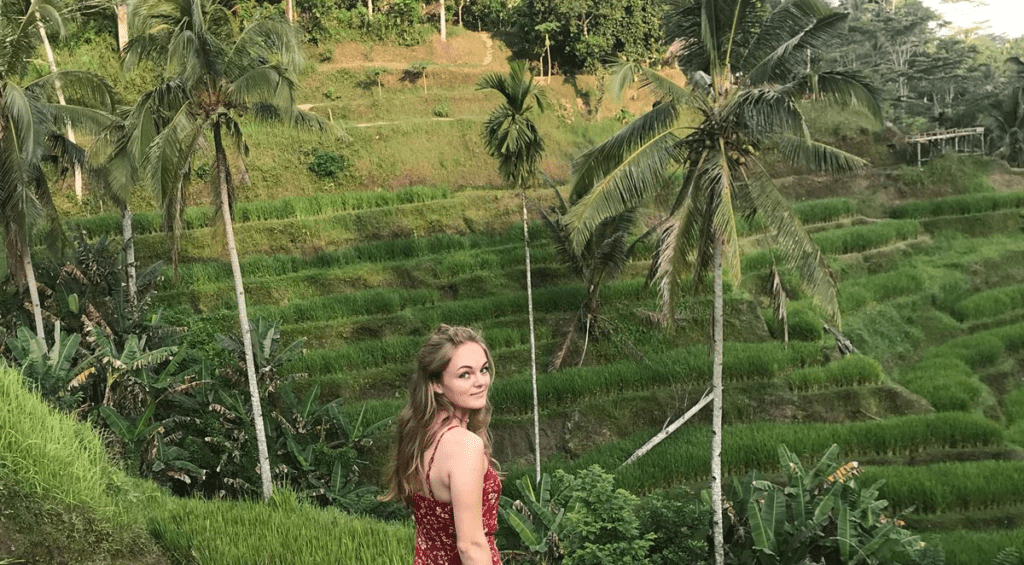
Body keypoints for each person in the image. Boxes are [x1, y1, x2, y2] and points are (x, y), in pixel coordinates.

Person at [379, 325, 503, 565]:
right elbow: (470, 546)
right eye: (465, 374)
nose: (480, 382)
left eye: (484, 370)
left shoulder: (422, 436)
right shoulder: (465, 446)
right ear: (436, 383)